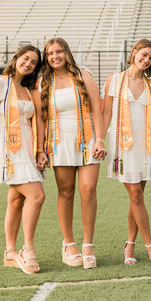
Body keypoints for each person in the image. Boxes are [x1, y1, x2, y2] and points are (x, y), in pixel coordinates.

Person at [34, 38, 106, 269]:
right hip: (58, 142)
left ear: (66, 52)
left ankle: (88, 246)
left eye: (59, 51)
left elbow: (97, 109)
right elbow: (41, 118)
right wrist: (41, 148)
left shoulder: (84, 75)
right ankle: (69, 243)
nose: (55, 56)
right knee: (66, 191)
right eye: (50, 53)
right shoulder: (44, 81)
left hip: (87, 140)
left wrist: (100, 139)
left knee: (89, 190)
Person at [100, 39, 151, 266]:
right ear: (134, 52)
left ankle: (130, 244)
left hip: (144, 147)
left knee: (136, 198)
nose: (146, 60)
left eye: (150, 58)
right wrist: (100, 139)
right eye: (144, 55)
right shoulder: (114, 80)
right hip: (123, 148)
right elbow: (106, 112)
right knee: (136, 195)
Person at [0, 45, 46, 274]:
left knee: (16, 201)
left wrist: (39, 150)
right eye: (26, 59)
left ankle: (9, 251)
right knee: (37, 196)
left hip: (26, 150)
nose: (28, 64)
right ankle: (28, 249)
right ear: (16, 58)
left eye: (33, 63)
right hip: (8, 151)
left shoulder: (27, 89)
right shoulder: (0, 84)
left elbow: (35, 120)